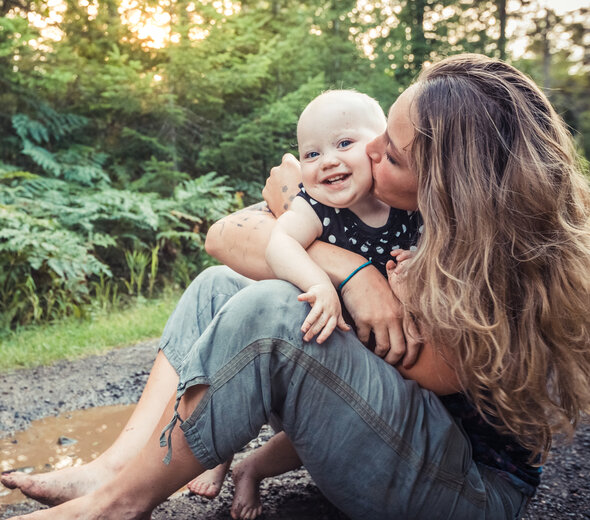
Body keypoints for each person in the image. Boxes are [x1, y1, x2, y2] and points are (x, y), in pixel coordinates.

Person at [3, 53, 590, 520]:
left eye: (393, 152)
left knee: (275, 308)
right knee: (219, 285)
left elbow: (431, 370)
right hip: (394, 430)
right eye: (381, 131)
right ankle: (116, 469)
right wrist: (352, 273)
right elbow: (226, 238)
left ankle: (118, 505)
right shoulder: (374, 204)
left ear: (450, 184)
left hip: (467, 488)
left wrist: (304, 221)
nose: (371, 151)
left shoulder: (503, 258)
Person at [188, 89, 422, 518]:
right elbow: (280, 243)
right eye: (311, 153)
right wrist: (320, 282)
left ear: (379, 149)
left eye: (344, 144)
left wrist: (416, 269)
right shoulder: (315, 207)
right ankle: (218, 453)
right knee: (242, 374)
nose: (327, 160)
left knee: (306, 435)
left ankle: (251, 470)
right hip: (321, 332)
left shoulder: (407, 205)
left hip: (369, 363)